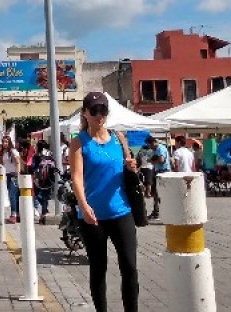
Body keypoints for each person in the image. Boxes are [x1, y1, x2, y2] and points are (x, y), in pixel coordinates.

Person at [69, 92, 139, 312]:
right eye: (94, 111)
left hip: (121, 211)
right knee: (99, 268)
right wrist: (83, 206)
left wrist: (132, 167)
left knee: (129, 267)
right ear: (85, 114)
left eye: (103, 111)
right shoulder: (79, 142)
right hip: (93, 216)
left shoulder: (119, 138)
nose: (99, 115)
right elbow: (77, 178)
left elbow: (129, 169)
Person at [146, 135, 170, 221]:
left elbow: (161, 160)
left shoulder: (160, 148)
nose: (150, 147)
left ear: (153, 142)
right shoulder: (156, 149)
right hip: (158, 172)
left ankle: (162, 212)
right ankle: (156, 211)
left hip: (163, 172)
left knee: (160, 193)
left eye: (150, 145)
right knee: (156, 193)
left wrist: (152, 161)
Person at [32, 140, 55, 225]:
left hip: (39, 179)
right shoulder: (50, 155)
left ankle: (44, 213)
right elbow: (53, 166)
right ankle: (44, 211)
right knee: (45, 196)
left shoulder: (37, 156)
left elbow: (33, 167)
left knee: (38, 195)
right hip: (48, 179)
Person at [0, 134, 20, 224]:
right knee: (13, 195)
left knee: (13, 195)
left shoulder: (13, 151)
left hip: (13, 175)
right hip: (7, 175)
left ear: (9, 142)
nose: (4, 143)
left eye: (6, 142)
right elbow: (2, 164)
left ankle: (14, 214)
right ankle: (17, 214)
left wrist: (18, 175)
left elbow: (18, 163)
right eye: (3, 141)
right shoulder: (4, 152)